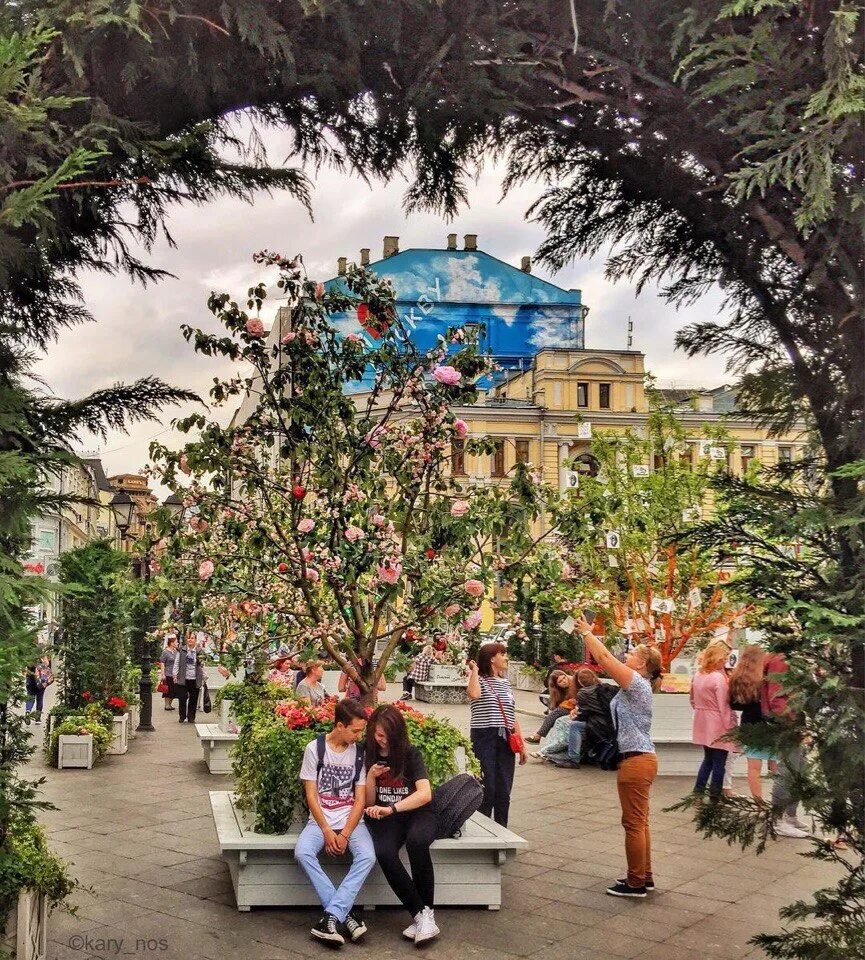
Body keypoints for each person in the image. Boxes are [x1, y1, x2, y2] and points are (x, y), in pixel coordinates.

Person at [575, 613, 663, 898]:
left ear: (643, 664)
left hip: (636, 760)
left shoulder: (637, 682)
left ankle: (635, 881)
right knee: (640, 821)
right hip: (641, 758)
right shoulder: (637, 684)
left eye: (634, 653)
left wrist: (588, 633)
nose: (628, 654)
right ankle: (644, 875)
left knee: (633, 823)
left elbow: (605, 659)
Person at [296, 698, 376, 946]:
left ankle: (331, 916)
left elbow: (360, 799)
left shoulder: (359, 754)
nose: (358, 735)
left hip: (351, 821)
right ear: (340, 725)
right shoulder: (315, 749)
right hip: (321, 821)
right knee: (302, 852)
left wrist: (344, 834)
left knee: (368, 856)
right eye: (355, 730)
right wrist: (327, 829)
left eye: (361, 730)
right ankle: (346, 914)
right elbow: (311, 795)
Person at [364, 705, 440, 945]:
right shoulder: (368, 754)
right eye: (377, 735)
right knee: (384, 852)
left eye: (386, 735)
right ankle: (420, 915)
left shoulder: (410, 754)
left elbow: (425, 794)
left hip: (418, 814)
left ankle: (427, 914)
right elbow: (367, 802)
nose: (381, 740)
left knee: (417, 841)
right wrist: (370, 777)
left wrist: (393, 807)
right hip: (387, 819)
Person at [466, 642, 527, 827]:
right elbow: (473, 694)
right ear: (492, 658)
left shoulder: (506, 684)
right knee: (487, 787)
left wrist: (521, 743)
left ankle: (502, 829)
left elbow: (512, 714)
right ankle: (482, 830)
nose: (506, 657)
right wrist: (475, 670)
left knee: (503, 790)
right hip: (484, 737)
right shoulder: (479, 680)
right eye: (503, 654)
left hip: (506, 738)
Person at [762, 651, 810, 839]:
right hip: (787, 725)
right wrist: (793, 724)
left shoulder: (785, 658)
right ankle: (778, 820)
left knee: (799, 769)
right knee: (788, 771)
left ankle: (789, 816)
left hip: (793, 723)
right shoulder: (781, 660)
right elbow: (777, 698)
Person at [728, 645, 779, 806]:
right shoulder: (765, 679)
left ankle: (759, 802)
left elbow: (734, 705)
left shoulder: (737, 678)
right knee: (776, 766)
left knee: (754, 767)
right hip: (768, 726)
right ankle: (779, 801)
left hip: (749, 725)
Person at [691, 641, 739, 798]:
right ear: (716, 659)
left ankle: (698, 793)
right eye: (722, 658)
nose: (725, 661)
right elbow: (724, 705)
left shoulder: (698, 675)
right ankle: (715, 796)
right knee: (720, 762)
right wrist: (730, 727)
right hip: (718, 722)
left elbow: (692, 699)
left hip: (702, 721)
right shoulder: (718, 678)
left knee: (708, 760)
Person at [525, 670, 577, 744]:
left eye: (564, 678)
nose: (564, 681)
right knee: (556, 716)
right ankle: (548, 743)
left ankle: (538, 736)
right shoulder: (558, 692)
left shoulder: (574, 683)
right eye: (560, 681)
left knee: (556, 713)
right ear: (556, 685)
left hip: (578, 708)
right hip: (570, 709)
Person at [173, 634, 205, 723]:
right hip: (183, 678)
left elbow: (202, 665)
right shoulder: (182, 650)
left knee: (193, 699)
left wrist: (204, 676)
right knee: (182, 698)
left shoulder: (199, 651)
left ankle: (191, 717)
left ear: (195, 640)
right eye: (188, 638)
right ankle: (182, 716)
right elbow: (177, 662)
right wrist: (175, 674)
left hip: (195, 678)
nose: (190, 640)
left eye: (192, 638)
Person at [158, 635, 178, 711]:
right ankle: (167, 705)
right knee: (167, 690)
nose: (177, 643)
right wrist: (163, 674)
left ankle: (170, 704)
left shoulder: (176, 651)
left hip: (175, 674)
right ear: (172, 643)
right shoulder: (165, 652)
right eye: (176, 642)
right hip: (168, 674)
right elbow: (162, 663)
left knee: (174, 690)